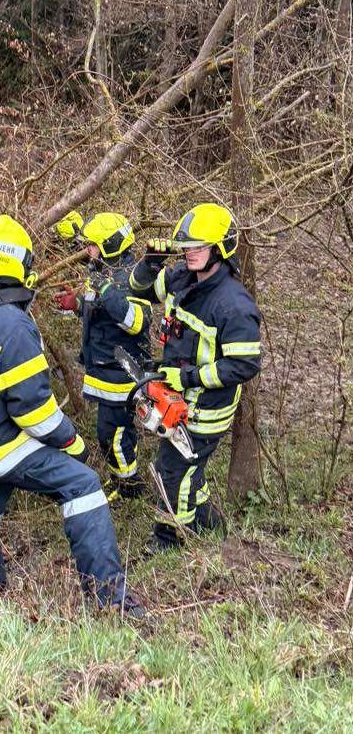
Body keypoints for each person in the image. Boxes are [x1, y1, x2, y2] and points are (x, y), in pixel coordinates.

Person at [0, 214, 144, 616]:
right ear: (15, 264)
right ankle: (108, 599)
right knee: (83, 485)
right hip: (1, 441)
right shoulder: (12, 327)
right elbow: (35, 413)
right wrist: (74, 443)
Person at [129, 203, 261, 550]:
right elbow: (139, 290)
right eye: (187, 246)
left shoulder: (234, 305)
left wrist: (189, 378)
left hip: (206, 407)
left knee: (172, 470)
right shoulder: (180, 277)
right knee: (187, 469)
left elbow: (244, 365)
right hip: (176, 397)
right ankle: (210, 526)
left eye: (198, 246)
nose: (190, 252)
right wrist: (149, 262)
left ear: (220, 248)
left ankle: (168, 539)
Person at [52, 212, 152, 501]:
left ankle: (129, 487)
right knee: (112, 432)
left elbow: (135, 321)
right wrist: (76, 303)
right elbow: (99, 308)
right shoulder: (101, 271)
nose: (88, 250)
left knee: (113, 434)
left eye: (93, 245)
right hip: (103, 368)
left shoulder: (134, 277)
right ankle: (123, 481)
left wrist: (106, 291)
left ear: (110, 244)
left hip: (121, 373)